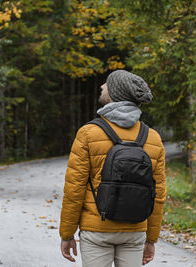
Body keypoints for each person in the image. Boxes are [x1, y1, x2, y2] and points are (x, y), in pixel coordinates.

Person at [59, 70, 167, 267]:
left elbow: (74, 190)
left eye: (107, 84)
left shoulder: (88, 133)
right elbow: (157, 194)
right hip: (135, 231)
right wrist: (151, 239)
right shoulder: (152, 138)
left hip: (96, 230)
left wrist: (67, 234)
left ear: (115, 94)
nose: (102, 86)